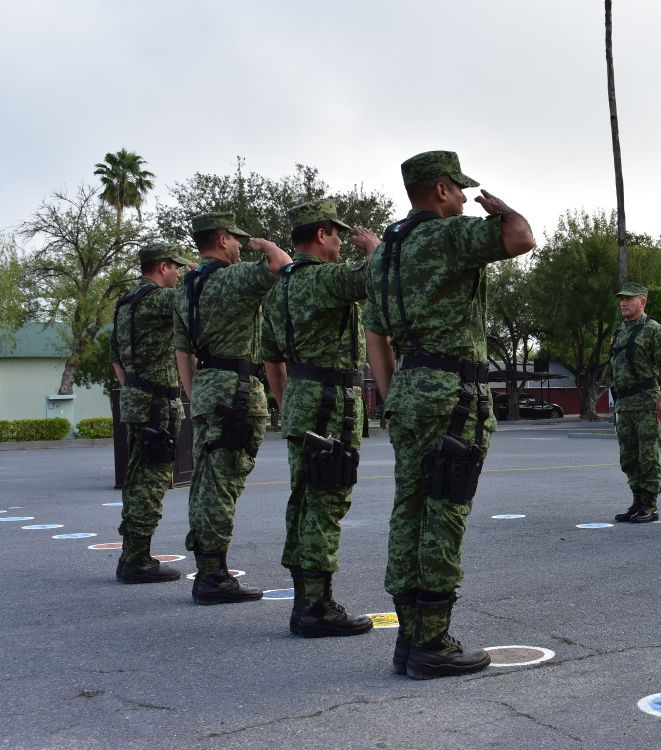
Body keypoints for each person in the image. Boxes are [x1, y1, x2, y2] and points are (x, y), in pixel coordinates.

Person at [365, 150, 535, 679]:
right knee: (444, 509)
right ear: (440, 189)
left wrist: (393, 395)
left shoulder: (384, 254)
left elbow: (376, 337)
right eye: (459, 190)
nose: (464, 198)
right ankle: (433, 644)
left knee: (410, 507)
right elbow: (522, 239)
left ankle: (409, 638)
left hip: (410, 387)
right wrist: (503, 209)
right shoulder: (446, 235)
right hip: (452, 394)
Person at [261, 199, 380, 638]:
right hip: (331, 399)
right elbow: (375, 278)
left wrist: (289, 402)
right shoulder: (322, 279)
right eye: (337, 233)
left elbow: (272, 360)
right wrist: (373, 248)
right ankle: (316, 607)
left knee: (304, 500)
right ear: (321, 234)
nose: (340, 240)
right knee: (326, 501)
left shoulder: (280, 290)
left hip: (302, 399)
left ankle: (306, 600)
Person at [173, 211, 292, 604]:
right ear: (223, 239)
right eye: (237, 239)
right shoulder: (231, 278)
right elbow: (282, 267)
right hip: (237, 390)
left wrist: (196, 396)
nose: (241, 245)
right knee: (222, 485)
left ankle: (208, 569)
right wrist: (267, 246)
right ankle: (214, 577)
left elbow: (182, 350)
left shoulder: (186, 286)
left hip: (207, 388)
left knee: (205, 483)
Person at [110, 242, 193, 583]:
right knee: (151, 480)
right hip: (157, 403)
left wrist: (135, 386)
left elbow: (115, 359)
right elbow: (195, 300)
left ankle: (132, 553)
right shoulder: (159, 299)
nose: (179, 273)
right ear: (162, 267)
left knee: (136, 478)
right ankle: (137, 560)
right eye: (175, 267)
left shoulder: (124, 303)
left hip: (135, 397)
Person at [608, 282, 661, 523]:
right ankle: (637, 500)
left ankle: (650, 504)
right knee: (629, 455)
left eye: (629, 298)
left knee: (648, 455)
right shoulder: (619, 331)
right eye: (621, 298)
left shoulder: (653, 329)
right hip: (624, 403)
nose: (623, 302)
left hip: (646, 400)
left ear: (642, 301)